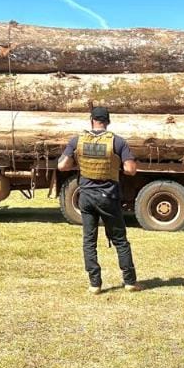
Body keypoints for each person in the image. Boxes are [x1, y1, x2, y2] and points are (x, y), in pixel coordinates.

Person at [57, 106, 141, 293]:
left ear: (91, 120)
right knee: (120, 240)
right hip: (108, 197)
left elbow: (62, 166)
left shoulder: (77, 140)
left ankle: (94, 284)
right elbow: (130, 170)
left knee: (89, 241)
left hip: (86, 196)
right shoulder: (117, 142)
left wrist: (77, 162)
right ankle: (130, 281)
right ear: (108, 122)